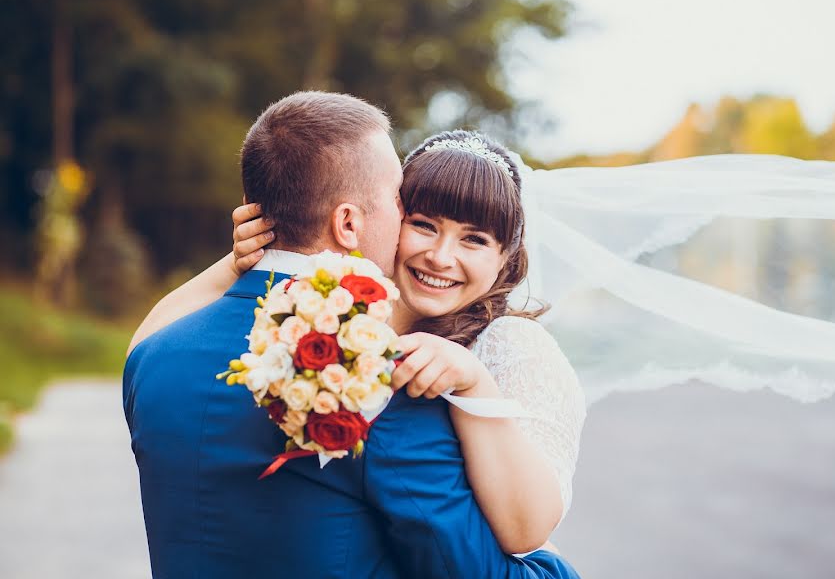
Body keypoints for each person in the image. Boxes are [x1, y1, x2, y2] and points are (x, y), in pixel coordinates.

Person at [124, 90, 581, 579]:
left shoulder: (152, 358)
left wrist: (258, 250)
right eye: (404, 208)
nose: (436, 253)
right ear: (348, 221)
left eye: (473, 238)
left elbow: (145, 341)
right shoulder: (368, 380)